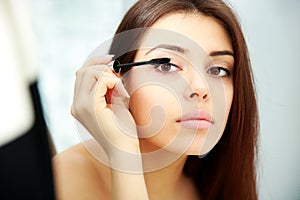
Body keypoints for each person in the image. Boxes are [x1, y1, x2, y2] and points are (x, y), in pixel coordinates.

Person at [53, 0, 259, 199]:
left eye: (218, 70)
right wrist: (124, 155)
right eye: (166, 65)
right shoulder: (62, 180)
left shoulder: (213, 183)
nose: (201, 89)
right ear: (119, 80)